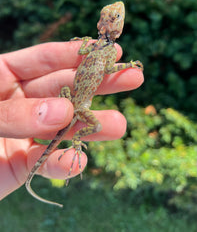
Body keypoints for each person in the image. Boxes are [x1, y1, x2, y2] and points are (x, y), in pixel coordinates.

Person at [0, 41, 144, 200]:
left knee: (66, 92)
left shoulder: (96, 46)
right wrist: (127, 65)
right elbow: (109, 69)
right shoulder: (103, 48)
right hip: (80, 106)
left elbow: (82, 51)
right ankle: (76, 139)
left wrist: (85, 42)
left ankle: (71, 130)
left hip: (74, 98)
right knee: (97, 126)